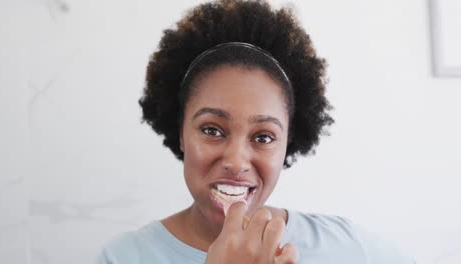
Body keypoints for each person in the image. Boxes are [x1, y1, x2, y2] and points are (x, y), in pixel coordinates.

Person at [96, 0, 415, 263]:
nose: (236, 161)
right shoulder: (122, 257)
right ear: (181, 132)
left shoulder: (352, 251)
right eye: (212, 130)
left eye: (263, 137)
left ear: (288, 144)